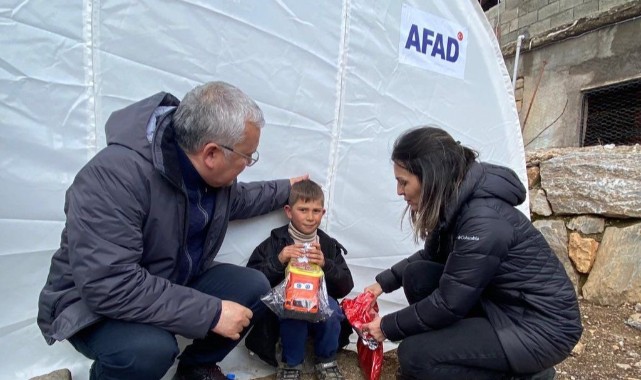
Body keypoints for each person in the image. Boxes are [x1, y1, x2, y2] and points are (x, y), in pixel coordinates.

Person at [37, 81, 307, 380]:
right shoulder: (112, 177)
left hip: (169, 276)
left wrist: (289, 189)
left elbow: (243, 199)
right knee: (149, 350)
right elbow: (109, 283)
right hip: (94, 304)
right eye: (247, 156)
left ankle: (195, 369)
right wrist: (212, 313)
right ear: (212, 153)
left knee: (253, 287)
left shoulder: (210, 178)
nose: (247, 164)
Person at [361, 126, 582, 380]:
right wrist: (380, 284)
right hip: (501, 307)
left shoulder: (483, 220)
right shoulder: (455, 204)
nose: (399, 191)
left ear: (430, 176)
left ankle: (526, 375)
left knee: (415, 356)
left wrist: (387, 327)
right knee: (417, 275)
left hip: (541, 328)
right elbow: (429, 257)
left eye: (403, 182)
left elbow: (448, 303)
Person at [245, 179, 354, 380]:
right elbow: (252, 280)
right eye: (303, 210)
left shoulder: (328, 245)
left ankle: (327, 360)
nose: (310, 217)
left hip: (320, 302)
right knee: (294, 309)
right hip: (286, 305)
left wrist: (326, 264)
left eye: (316, 211)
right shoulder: (276, 242)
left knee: (331, 311)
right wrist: (279, 260)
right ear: (288, 211)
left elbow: (346, 285)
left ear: (323, 212)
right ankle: (290, 363)